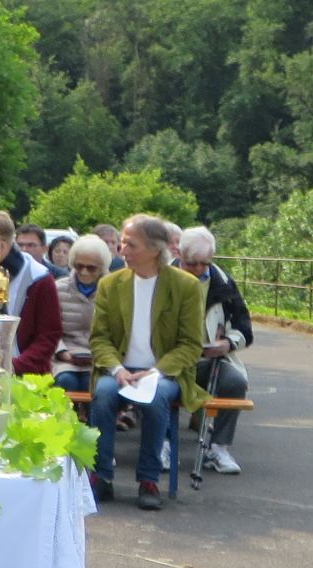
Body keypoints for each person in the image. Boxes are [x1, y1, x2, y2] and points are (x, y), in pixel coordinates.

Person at [87, 215, 206, 510]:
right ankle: (101, 476)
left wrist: (156, 371)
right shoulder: (110, 285)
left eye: (130, 244)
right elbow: (99, 338)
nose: (122, 250)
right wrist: (117, 369)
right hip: (119, 370)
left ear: (155, 249)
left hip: (164, 373)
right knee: (102, 395)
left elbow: (191, 345)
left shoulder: (185, 286)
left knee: (155, 399)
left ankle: (149, 479)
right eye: (123, 242)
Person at [180, 226, 254, 474]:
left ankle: (219, 447)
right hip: (173, 360)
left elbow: (244, 327)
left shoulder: (223, 283)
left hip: (211, 359)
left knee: (235, 382)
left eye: (205, 264)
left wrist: (227, 343)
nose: (199, 270)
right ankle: (163, 444)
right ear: (180, 257)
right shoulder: (163, 279)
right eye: (192, 264)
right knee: (162, 387)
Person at [0, 210, 62, 374]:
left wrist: (14, 366)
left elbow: (48, 336)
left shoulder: (40, 278)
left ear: (0, 246)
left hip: (27, 376)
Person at [51, 232, 111, 393]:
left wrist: (101, 356)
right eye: (79, 266)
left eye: (91, 268)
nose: (84, 272)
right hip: (65, 356)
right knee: (66, 380)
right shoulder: (58, 289)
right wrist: (63, 353)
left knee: (92, 383)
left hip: (100, 357)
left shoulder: (113, 291)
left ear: (102, 268)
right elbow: (50, 329)